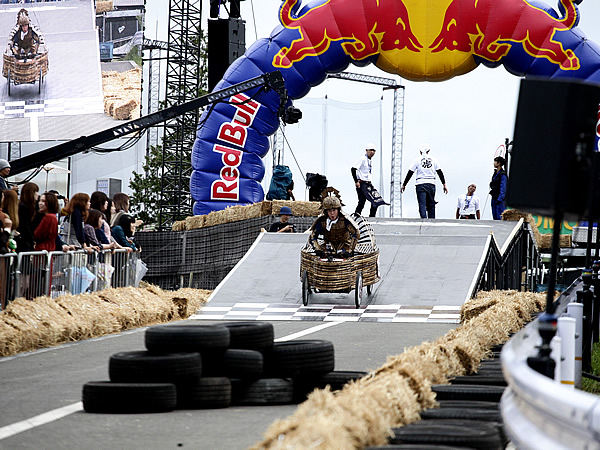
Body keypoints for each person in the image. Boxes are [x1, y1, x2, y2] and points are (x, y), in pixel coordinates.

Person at [401, 144, 448, 219]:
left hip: (420, 183)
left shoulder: (416, 160)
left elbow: (410, 172)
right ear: (429, 151)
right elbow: (439, 172)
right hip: (431, 183)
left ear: (420, 151)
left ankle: (423, 219)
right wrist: (444, 184)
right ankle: (432, 220)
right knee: (431, 204)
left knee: (422, 204)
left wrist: (404, 184)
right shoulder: (434, 160)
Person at [351, 143, 381, 217]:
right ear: (366, 150)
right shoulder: (362, 159)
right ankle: (356, 216)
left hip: (368, 183)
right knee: (362, 201)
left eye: (374, 151)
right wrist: (356, 181)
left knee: (375, 200)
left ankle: (372, 216)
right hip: (362, 183)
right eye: (370, 150)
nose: (372, 152)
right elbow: (353, 169)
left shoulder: (369, 160)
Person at [15, 182, 38, 253]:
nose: (37, 194)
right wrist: (32, 240)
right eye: (36, 192)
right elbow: (25, 226)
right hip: (24, 241)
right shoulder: (23, 207)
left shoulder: (25, 206)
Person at [490, 156, 508, 220]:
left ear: (499, 163)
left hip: (499, 198)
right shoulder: (495, 173)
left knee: (500, 216)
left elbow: (503, 186)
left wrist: (500, 198)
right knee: (494, 215)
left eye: (495, 161)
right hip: (494, 196)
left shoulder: (502, 174)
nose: (494, 163)